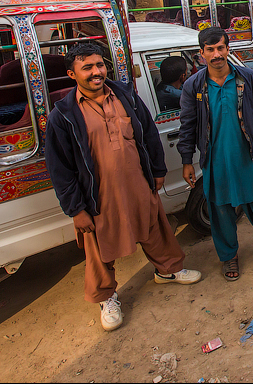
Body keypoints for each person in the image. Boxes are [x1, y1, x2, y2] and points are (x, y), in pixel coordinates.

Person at [45, 43, 201, 332]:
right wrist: (75, 209)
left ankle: (169, 271)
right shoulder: (63, 115)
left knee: (155, 226)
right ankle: (107, 297)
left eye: (99, 65)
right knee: (100, 246)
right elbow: (60, 168)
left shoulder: (125, 95)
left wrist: (157, 170)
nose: (96, 72)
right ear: (72, 74)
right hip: (99, 195)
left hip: (137, 182)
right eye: (87, 68)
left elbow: (148, 132)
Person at [178, 27, 253, 282]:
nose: (216, 54)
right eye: (210, 50)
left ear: (227, 49)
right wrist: (186, 160)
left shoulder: (246, 78)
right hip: (214, 160)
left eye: (220, 48)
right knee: (220, 209)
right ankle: (228, 256)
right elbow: (188, 125)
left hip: (246, 155)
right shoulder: (194, 86)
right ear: (201, 54)